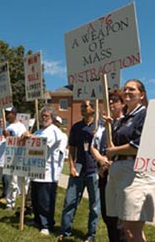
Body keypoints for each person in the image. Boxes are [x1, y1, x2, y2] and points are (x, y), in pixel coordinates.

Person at [105, 79, 155, 242]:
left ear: (142, 95)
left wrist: (114, 151)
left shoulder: (145, 115)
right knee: (129, 227)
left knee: (131, 229)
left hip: (136, 175)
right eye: (125, 89)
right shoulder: (124, 119)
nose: (127, 92)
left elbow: (139, 145)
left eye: (132, 89)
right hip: (121, 174)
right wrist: (113, 125)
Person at [58, 100, 100, 242]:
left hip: (94, 170)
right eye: (81, 106)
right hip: (79, 169)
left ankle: (91, 234)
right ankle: (65, 232)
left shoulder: (100, 127)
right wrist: (71, 166)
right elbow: (72, 149)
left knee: (94, 205)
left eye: (85, 106)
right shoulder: (76, 127)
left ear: (93, 109)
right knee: (70, 201)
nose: (82, 108)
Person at [21, 106, 65, 235]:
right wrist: (25, 136)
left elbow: (43, 144)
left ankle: (47, 224)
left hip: (48, 173)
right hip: (36, 171)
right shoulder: (40, 131)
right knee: (36, 199)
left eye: (46, 116)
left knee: (45, 201)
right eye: (42, 116)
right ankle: (37, 220)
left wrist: (30, 137)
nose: (44, 118)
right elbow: (32, 141)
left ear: (52, 118)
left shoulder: (54, 131)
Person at [90, 90, 127, 242]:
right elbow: (93, 146)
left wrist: (113, 161)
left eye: (114, 100)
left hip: (120, 174)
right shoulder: (101, 126)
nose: (110, 103)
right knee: (107, 215)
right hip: (104, 174)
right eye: (109, 100)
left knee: (120, 219)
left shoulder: (125, 123)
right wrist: (101, 160)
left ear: (122, 104)